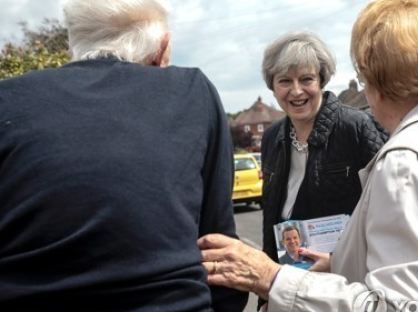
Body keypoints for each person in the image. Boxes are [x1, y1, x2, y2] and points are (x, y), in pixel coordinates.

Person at [198, 0, 418, 310]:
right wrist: (340, 262)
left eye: (362, 74)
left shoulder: (408, 163)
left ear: (376, 77)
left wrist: (271, 278)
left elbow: (397, 304)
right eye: (284, 80)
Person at [0, 0, 247, 311]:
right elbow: (217, 247)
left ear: (73, 42)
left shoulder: (7, 100)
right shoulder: (191, 91)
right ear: (162, 51)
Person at [259, 30, 387, 270]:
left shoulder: (356, 127)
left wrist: (339, 263)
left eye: (306, 79)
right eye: (285, 81)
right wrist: (267, 291)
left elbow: (388, 213)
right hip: (290, 276)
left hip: (345, 281)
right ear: (273, 86)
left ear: (321, 80)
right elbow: (270, 219)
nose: (296, 91)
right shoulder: (271, 138)